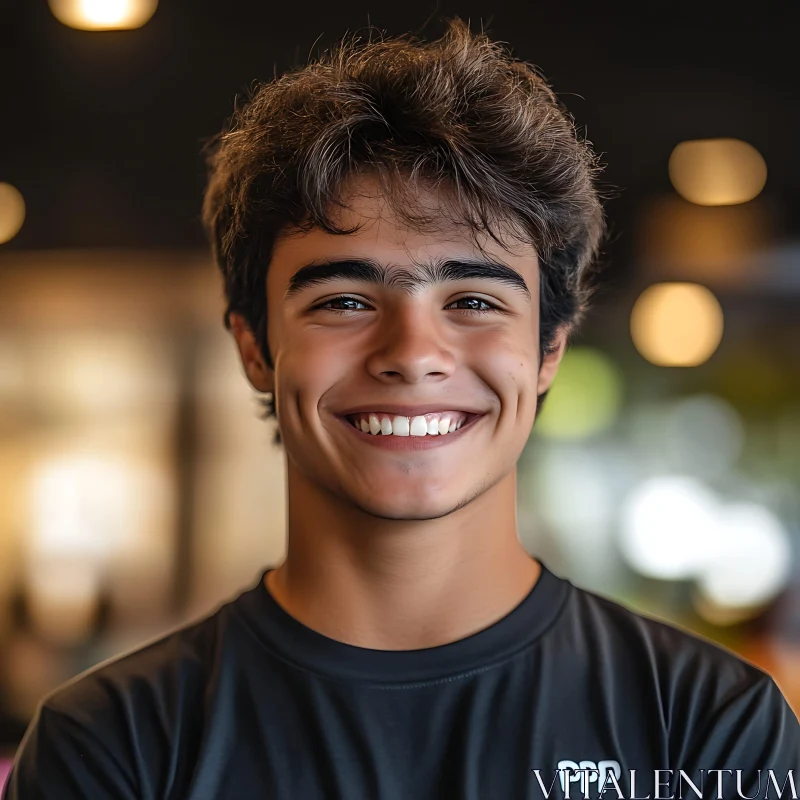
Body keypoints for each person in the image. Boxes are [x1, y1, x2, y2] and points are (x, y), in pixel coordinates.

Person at [4, 18, 799, 799]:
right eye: (346, 300)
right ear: (254, 346)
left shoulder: (708, 727)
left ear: (550, 348)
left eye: (474, 300)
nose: (413, 352)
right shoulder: (112, 749)